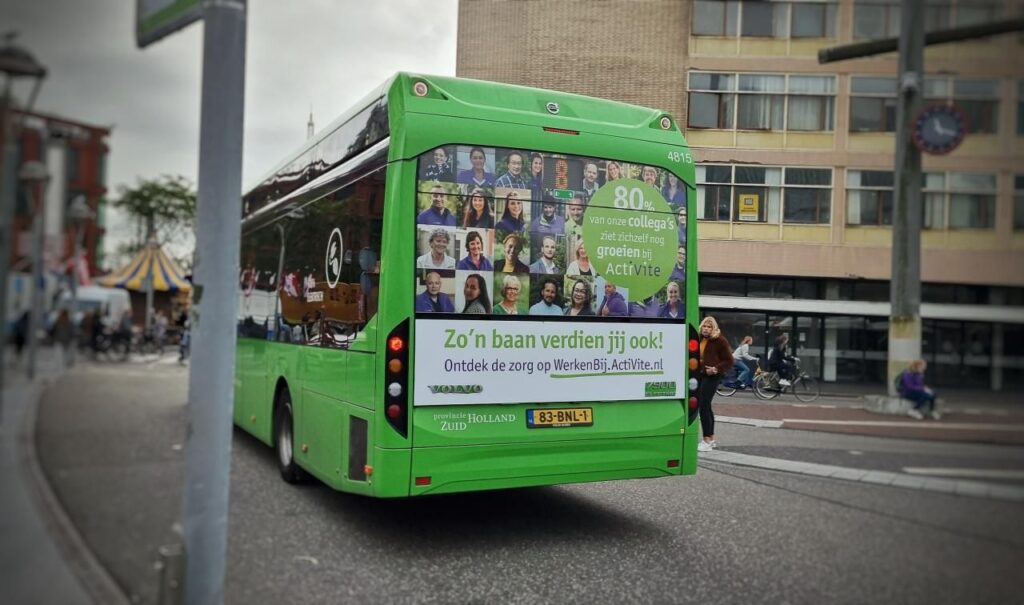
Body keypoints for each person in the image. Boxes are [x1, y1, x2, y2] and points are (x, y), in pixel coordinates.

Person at [697, 316, 733, 452]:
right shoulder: (699, 339)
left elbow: (729, 360)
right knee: (706, 406)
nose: (706, 329)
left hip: (712, 376)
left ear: (713, 328)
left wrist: (716, 369)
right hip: (701, 375)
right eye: (704, 326)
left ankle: (706, 440)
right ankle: (711, 439)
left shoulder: (720, 340)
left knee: (703, 406)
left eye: (709, 326)